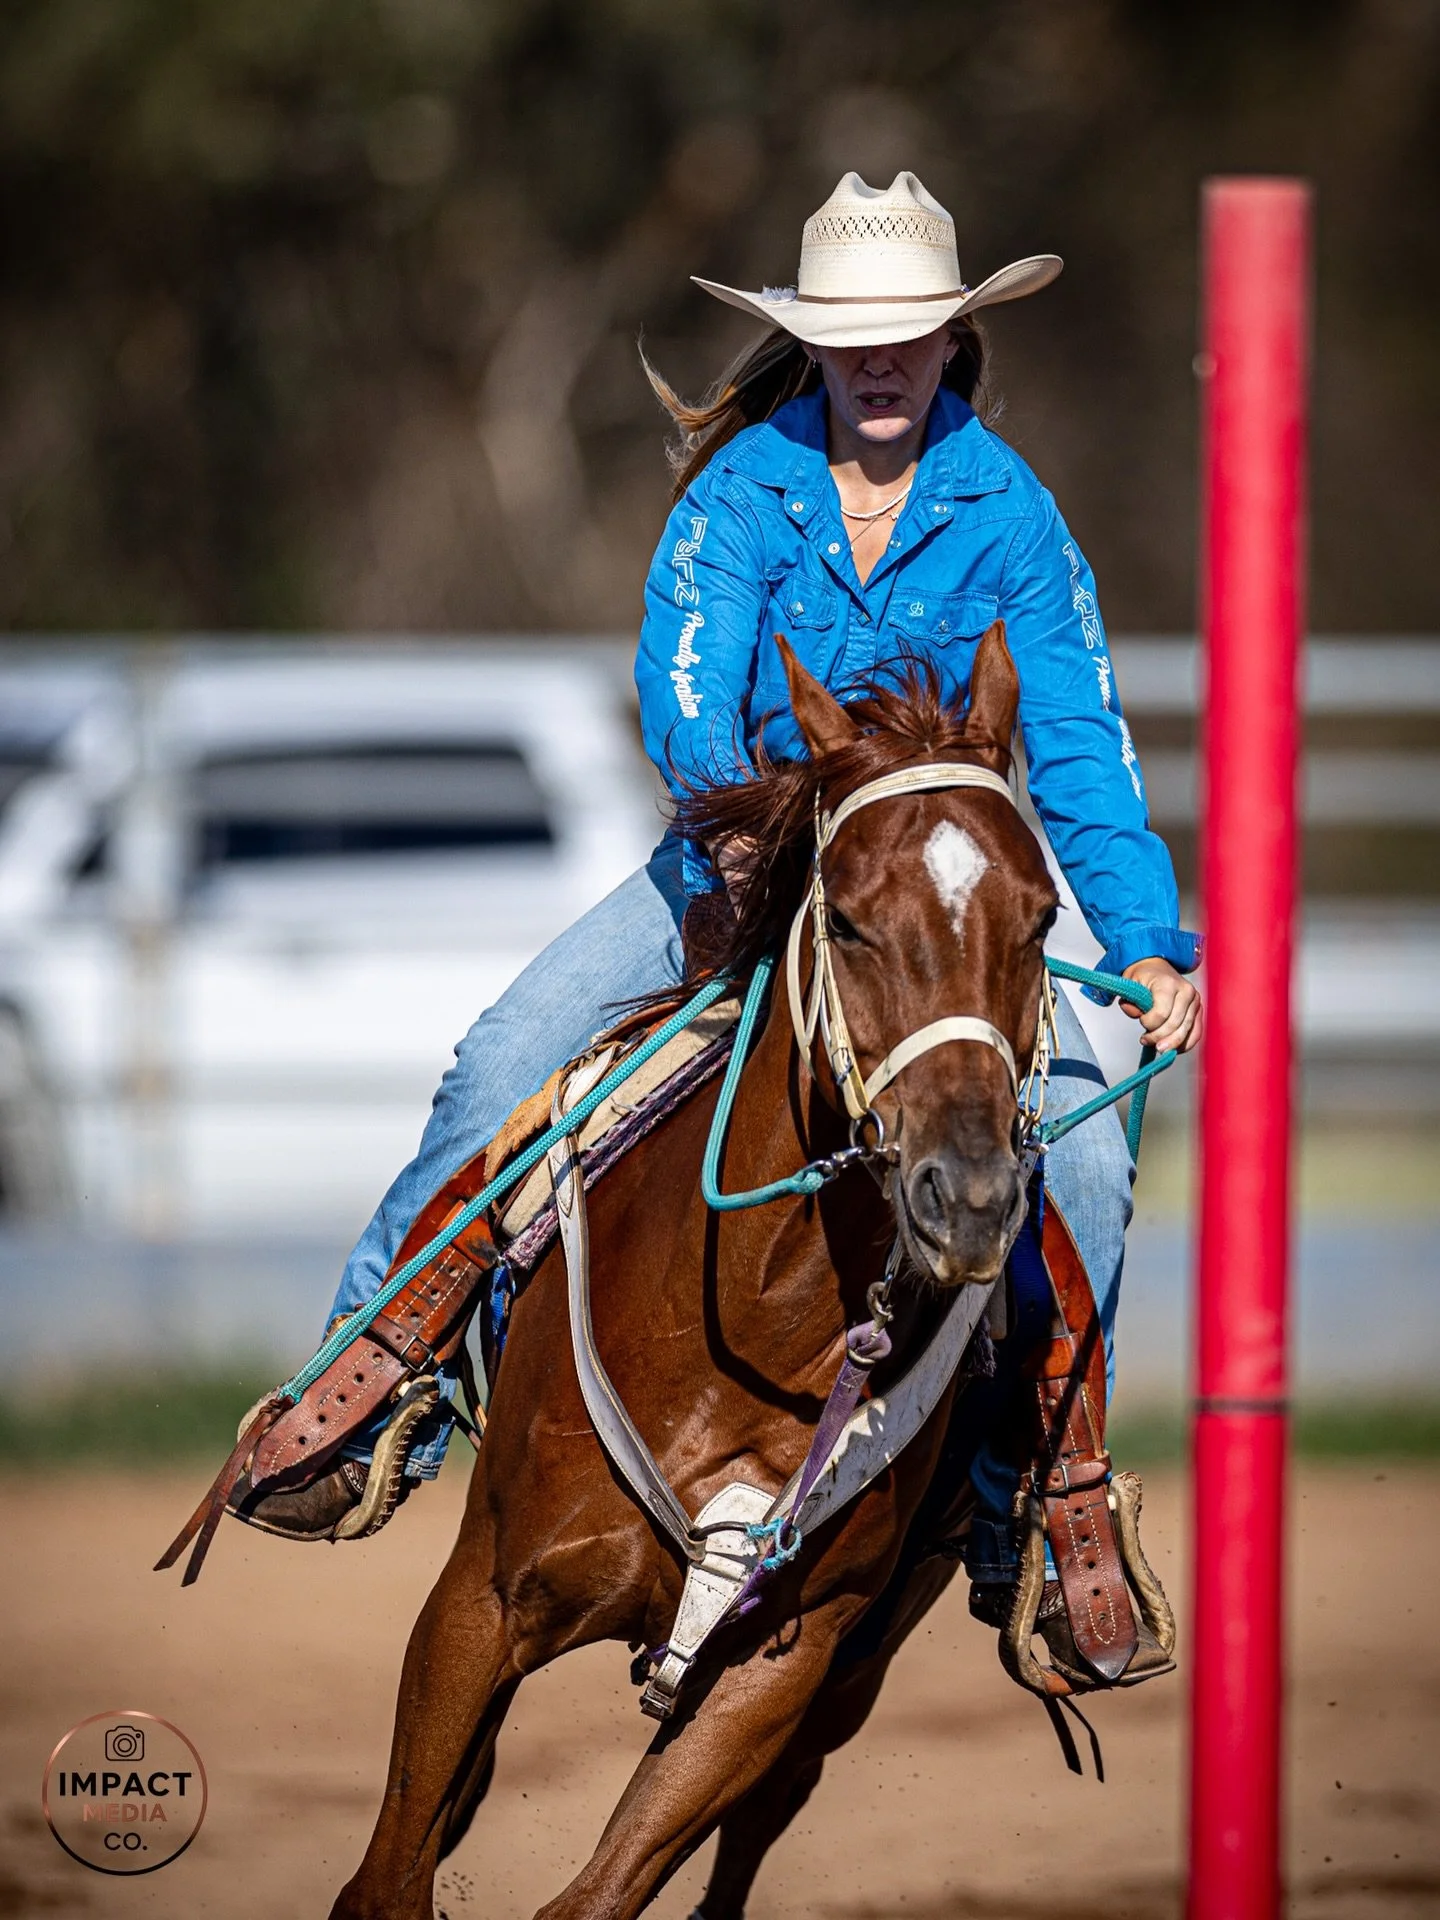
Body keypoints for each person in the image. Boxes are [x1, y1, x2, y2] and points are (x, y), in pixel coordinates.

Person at [238, 171, 1202, 1622]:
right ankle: (375, 1386)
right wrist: (754, 831)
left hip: (935, 927)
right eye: (852, 337)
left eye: (910, 334)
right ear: (811, 346)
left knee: (1087, 1167)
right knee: (502, 1061)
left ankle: (1037, 1493)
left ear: (954, 343)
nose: (880, 362)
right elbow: (683, 691)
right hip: (731, 872)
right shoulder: (744, 492)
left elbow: (1076, 742)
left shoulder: (1014, 519)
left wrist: (1146, 940)